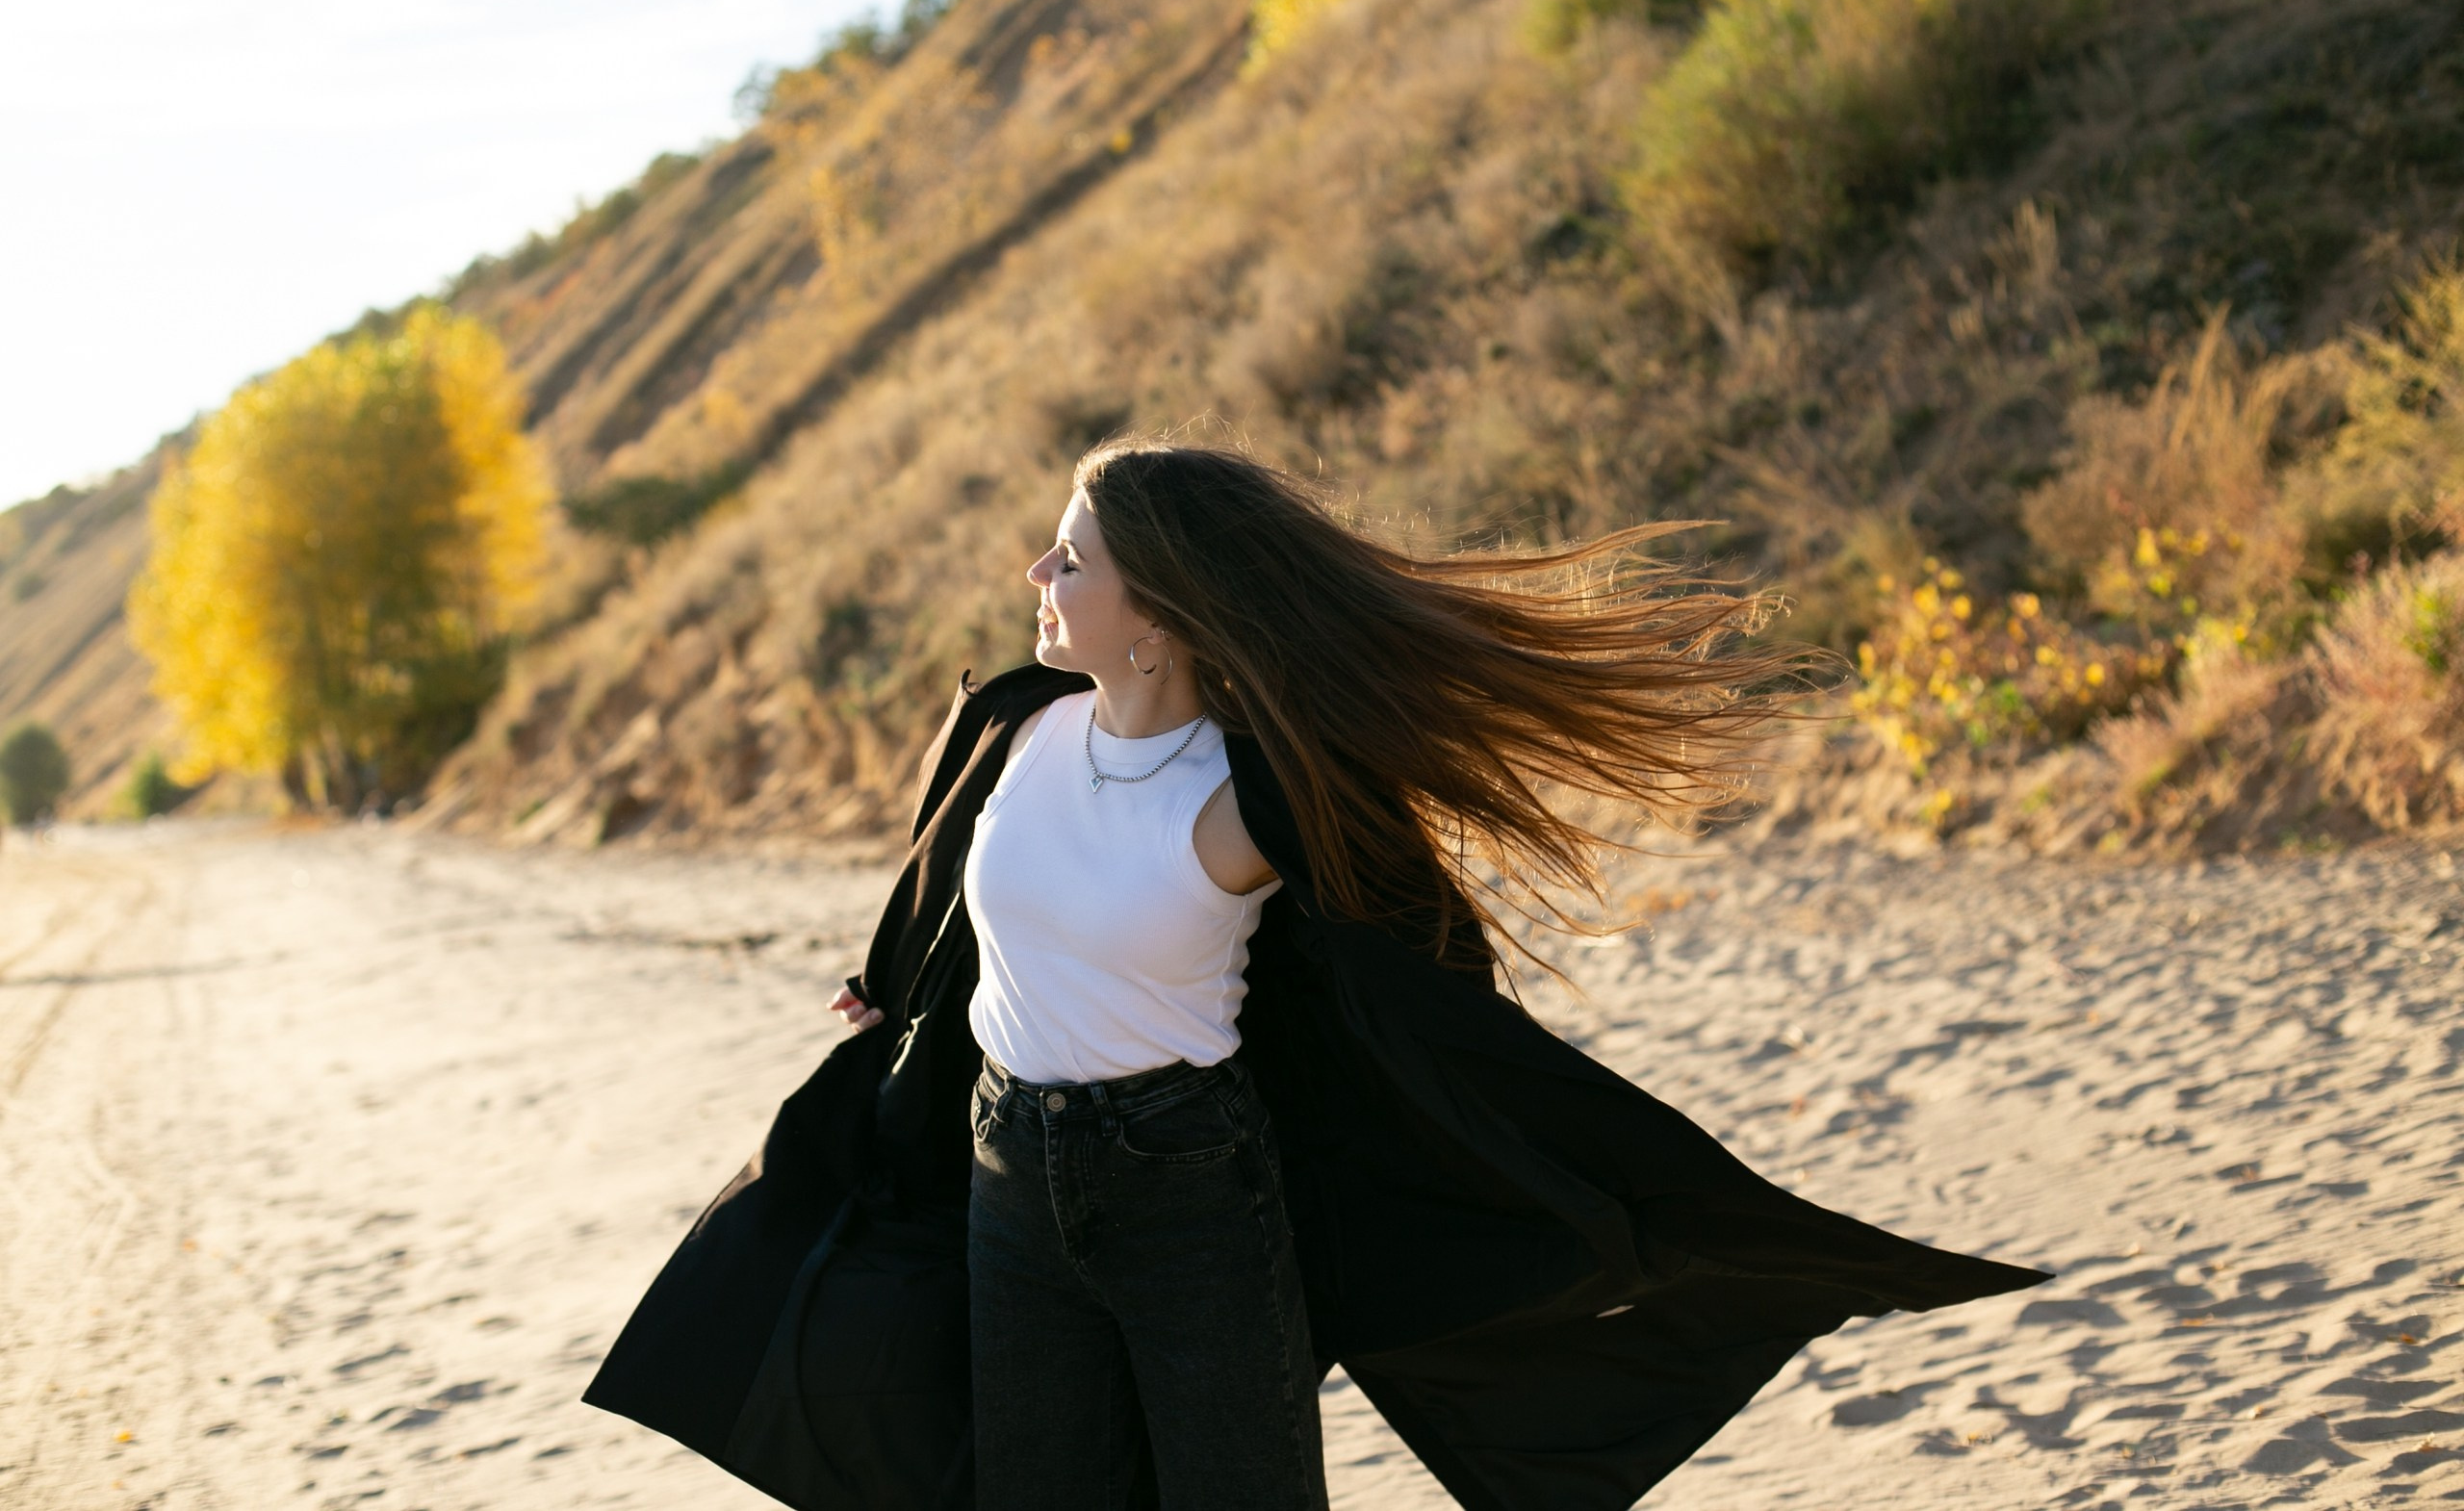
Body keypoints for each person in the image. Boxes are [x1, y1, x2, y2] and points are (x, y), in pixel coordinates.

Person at [583, 441, 2047, 1511]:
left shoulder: (1244, 804)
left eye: (1073, 559)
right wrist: (893, 985)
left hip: (1188, 1196)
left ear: (1159, 615)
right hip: (1004, 1186)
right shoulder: (1017, 726)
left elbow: (1396, 947)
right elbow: (950, 882)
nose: (1039, 575)